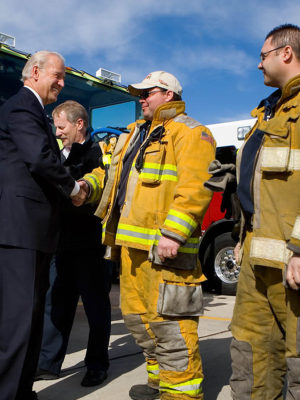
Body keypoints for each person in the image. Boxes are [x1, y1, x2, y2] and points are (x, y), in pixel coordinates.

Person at [76, 71, 216, 400]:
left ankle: (180, 394)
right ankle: (159, 384)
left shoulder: (191, 132)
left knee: (171, 326)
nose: (141, 99)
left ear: (168, 95)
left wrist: (173, 234)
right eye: (139, 94)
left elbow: (196, 189)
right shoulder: (132, 134)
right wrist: (87, 186)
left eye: (147, 93)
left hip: (165, 251)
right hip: (130, 248)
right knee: (140, 321)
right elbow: (107, 173)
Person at [0, 51, 86, 400]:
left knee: (32, 320)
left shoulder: (32, 110)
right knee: (16, 324)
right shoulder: (22, 106)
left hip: (33, 233)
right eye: (59, 75)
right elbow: (39, 157)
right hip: (19, 231)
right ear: (35, 72)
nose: (62, 83)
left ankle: (21, 391)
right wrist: (73, 187)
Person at [230, 24, 300, 399]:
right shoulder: (268, 112)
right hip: (257, 252)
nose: (259, 65)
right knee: (251, 351)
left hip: (292, 256)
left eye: (263, 56)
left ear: (285, 53)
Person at [35, 100, 112, 387]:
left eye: (61, 126)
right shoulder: (55, 153)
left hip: (90, 245)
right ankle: (47, 363)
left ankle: (96, 364)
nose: (57, 132)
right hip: (61, 245)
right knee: (56, 304)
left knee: (96, 308)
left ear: (79, 124)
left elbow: (99, 185)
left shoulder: (97, 153)